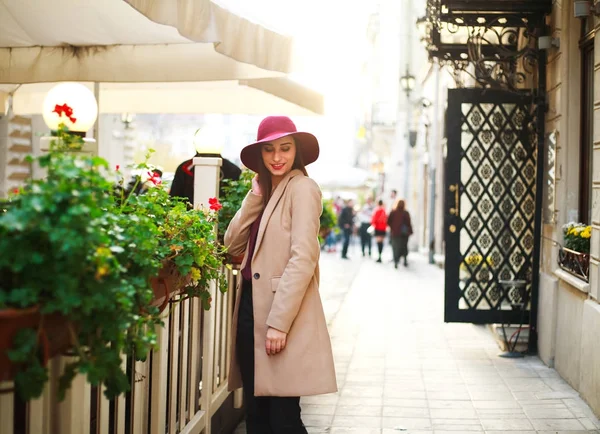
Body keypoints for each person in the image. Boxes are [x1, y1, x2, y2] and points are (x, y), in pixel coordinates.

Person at [224, 116, 337, 433]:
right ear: (260, 155)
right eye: (269, 150)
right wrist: (256, 195)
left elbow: (304, 257)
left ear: (296, 151)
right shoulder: (267, 192)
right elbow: (232, 243)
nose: (277, 157)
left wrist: (278, 323)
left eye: (285, 149)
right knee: (257, 414)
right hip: (250, 310)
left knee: (283, 418)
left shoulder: (302, 188)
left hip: (280, 313)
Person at [170, 152, 241, 205]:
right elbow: (174, 199)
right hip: (188, 220)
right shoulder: (184, 168)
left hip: (223, 219)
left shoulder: (233, 170)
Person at [388, 199, 413, 268]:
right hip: (404, 234)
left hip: (395, 233)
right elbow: (409, 223)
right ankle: (404, 260)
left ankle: (396, 261)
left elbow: (388, 221)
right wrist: (410, 231)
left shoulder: (393, 212)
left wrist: (393, 228)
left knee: (395, 247)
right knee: (404, 246)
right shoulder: (405, 212)